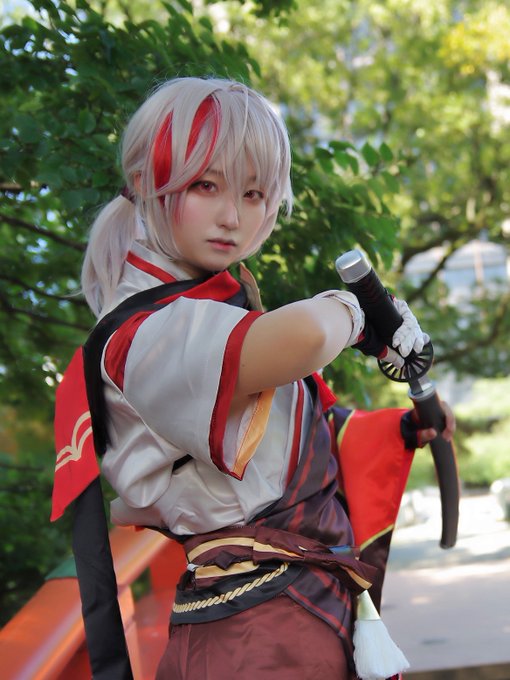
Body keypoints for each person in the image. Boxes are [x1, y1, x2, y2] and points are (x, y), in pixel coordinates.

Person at [62, 77, 455, 680]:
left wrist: (401, 429)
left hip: (291, 614)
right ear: (144, 181)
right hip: (253, 637)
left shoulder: (211, 307)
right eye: (206, 185)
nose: (232, 216)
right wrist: (356, 310)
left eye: (253, 193)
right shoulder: (143, 334)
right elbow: (307, 336)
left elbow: (290, 444)